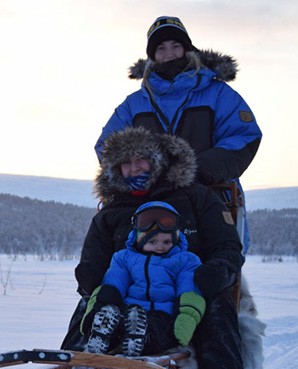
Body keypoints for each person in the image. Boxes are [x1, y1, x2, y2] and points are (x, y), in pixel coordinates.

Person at [61, 127, 244, 369]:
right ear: (116, 170)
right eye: (126, 163)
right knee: (89, 309)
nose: (134, 168)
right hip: (128, 295)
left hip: (186, 289)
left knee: (217, 307)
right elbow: (93, 258)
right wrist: (92, 282)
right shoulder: (112, 210)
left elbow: (227, 246)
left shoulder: (197, 196)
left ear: (158, 161)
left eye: (141, 160)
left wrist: (217, 270)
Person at [95, 16, 261, 255]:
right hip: (145, 197)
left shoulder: (218, 94)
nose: (169, 53)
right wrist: (138, 175)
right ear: (152, 56)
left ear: (187, 48)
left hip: (209, 193)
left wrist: (196, 169)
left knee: (217, 255)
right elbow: (107, 145)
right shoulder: (134, 104)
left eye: (175, 45)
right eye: (160, 48)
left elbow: (243, 135)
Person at [81, 201, 205, 359]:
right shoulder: (124, 258)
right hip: (129, 311)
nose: (160, 247)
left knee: (160, 332)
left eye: (166, 242)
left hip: (163, 313)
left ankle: (140, 338)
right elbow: (113, 284)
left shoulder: (185, 260)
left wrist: (186, 318)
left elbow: (189, 291)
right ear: (139, 239)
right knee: (119, 319)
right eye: (152, 242)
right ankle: (104, 335)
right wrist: (97, 309)